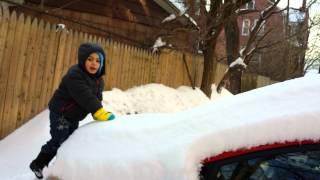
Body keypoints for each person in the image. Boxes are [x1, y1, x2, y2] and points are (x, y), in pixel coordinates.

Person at [29, 43, 115, 179]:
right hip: (61, 113)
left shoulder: (99, 81)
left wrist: (97, 111)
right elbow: (84, 95)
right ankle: (38, 164)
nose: (94, 63)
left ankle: (62, 166)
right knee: (60, 139)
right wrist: (98, 111)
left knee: (70, 140)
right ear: (82, 60)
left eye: (98, 61)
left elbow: (96, 98)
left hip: (73, 116)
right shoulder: (75, 75)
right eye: (90, 59)